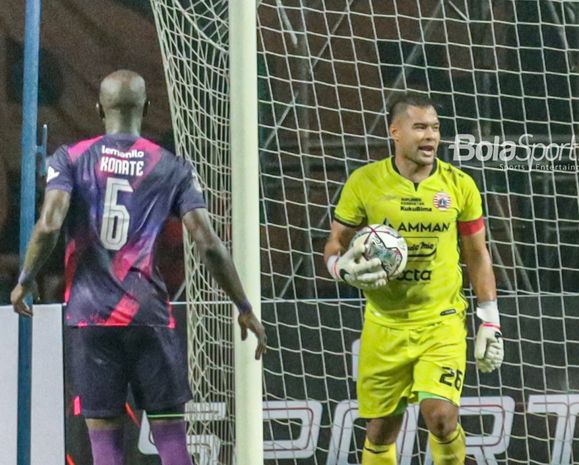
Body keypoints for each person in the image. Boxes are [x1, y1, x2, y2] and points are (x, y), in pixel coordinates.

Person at [11, 69, 266, 465]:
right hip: (149, 316)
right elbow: (207, 243)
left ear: (98, 109)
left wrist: (25, 279)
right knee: (171, 442)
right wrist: (244, 306)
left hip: (91, 320)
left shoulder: (71, 158)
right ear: (147, 109)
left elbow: (48, 224)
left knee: (106, 448)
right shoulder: (171, 166)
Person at [323, 93, 503, 465]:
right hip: (384, 324)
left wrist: (490, 319)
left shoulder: (459, 185)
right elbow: (334, 242)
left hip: (441, 322)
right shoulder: (365, 182)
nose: (430, 137)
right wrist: (339, 268)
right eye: (420, 127)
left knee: (440, 416)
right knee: (381, 430)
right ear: (395, 131)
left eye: (435, 128)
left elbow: (477, 254)